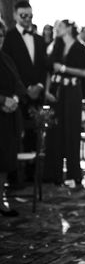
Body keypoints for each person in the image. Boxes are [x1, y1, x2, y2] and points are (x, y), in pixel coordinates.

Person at [45, 20, 85, 187]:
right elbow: (50, 70)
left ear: (69, 28)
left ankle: (74, 174)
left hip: (73, 91)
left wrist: (64, 69)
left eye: (60, 26)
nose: (56, 29)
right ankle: (55, 173)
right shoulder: (55, 46)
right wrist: (47, 91)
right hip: (56, 92)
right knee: (55, 130)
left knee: (72, 131)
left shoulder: (80, 48)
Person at [2, 0, 49, 184]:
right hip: (16, 96)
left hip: (36, 95)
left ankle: (32, 174)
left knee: (34, 135)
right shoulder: (8, 37)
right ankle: (14, 177)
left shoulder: (38, 39)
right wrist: (24, 90)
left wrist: (39, 86)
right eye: (23, 15)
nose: (27, 19)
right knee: (14, 136)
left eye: (30, 15)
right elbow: (8, 67)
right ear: (14, 15)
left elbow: (43, 66)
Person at [0, 20, 27, 217]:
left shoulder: (6, 59)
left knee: (4, 162)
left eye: (1, 35)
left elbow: (19, 83)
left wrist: (15, 99)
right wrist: (2, 100)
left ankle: (1, 200)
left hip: (8, 119)